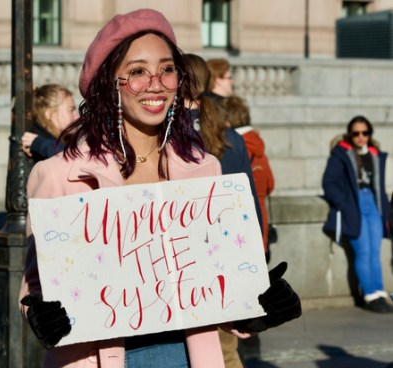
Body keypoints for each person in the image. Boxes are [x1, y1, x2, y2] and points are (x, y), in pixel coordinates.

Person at [19, 9, 301, 368]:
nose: (156, 83)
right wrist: (42, 316)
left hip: (186, 356)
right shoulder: (59, 174)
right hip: (97, 359)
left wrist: (257, 305)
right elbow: (33, 285)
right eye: (137, 71)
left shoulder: (205, 170)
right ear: (110, 82)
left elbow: (212, 286)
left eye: (167, 69)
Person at [185, 54, 265, 368]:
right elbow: (249, 205)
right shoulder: (228, 135)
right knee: (226, 351)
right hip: (229, 254)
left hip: (188, 257)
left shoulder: (169, 135)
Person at [322, 116, 392, 313]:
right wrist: (344, 204)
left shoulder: (375, 154)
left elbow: (379, 187)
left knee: (375, 254)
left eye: (365, 133)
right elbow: (329, 183)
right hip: (354, 205)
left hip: (373, 204)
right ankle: (369, 296)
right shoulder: (340, 154)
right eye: (356, 133)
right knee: (362, 252)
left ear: (369, 134)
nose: (361, 137)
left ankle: (379, 294)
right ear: (349, 134)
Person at [223, 95, 275, 257]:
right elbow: (270, 184)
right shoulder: (259, 148)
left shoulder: (232, 147)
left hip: (240, 227)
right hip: (261, 224)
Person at [21, 84, 79, 161]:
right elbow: (74, 161)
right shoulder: (35, 145)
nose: (77, 117)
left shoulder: (42, 143)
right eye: (71, 110)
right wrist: (42, 145)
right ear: (49, 114)